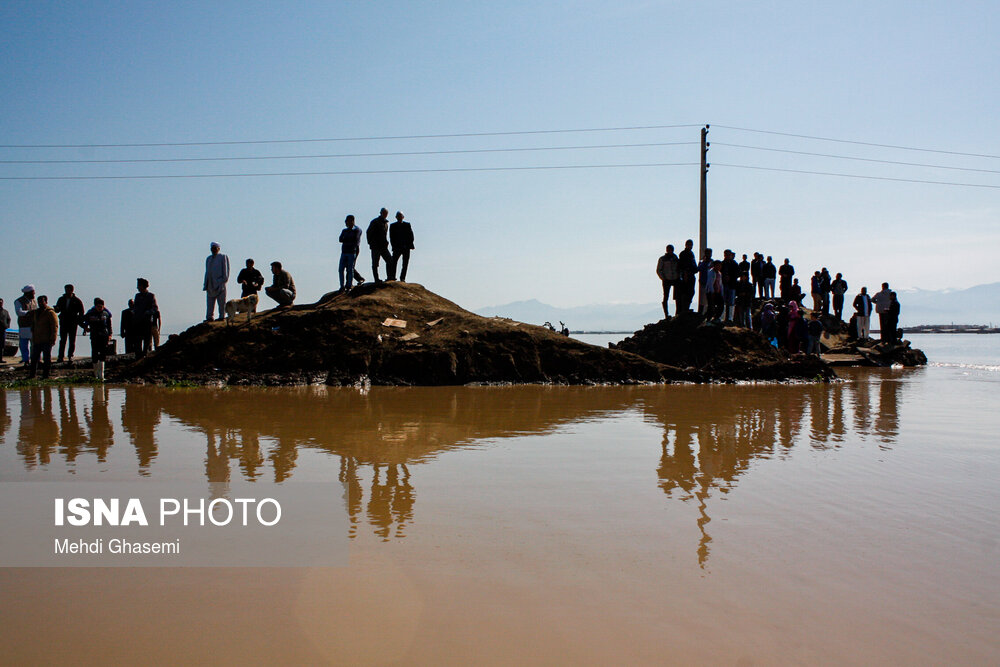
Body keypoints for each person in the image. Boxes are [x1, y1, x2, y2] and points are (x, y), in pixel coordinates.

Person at [81, 297, 113, 381]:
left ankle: (101, 375)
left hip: (104, 336)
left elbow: (109, 325)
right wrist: (85, 328)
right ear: (95, 306)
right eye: (98, 306)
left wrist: (110, 334)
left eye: (101, 306)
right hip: (94, 336)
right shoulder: (90, 313)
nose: (100, 308)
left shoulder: (106, 314)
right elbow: (81, 320)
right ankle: (95, 375)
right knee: (95, 354)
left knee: (103, 354)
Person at [27, 295, 58, 379]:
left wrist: (53, 338)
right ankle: (32, 375)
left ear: (46, 302)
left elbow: (54, 326)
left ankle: (46, 375)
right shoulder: (36, 312)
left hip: (47, 339)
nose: (40, 303)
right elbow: (33, 324)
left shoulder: (50, 312)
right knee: (34, 358)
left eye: (42, 301)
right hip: (37, 339)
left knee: (47, 358)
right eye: (39, 301)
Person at [54, 284, 85, 362]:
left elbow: (81, 311)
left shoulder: (77, 300)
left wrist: (79, 320)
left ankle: (70, 355)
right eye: (66, 290)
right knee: (63, 340)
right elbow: (58, 310)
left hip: (73, 322)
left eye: (68, 290)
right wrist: (56, 308)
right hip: (64, 321)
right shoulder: (61, 299)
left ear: (72, 290)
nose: (67, 291)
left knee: (72, 340)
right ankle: (61, 356)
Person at [204, 242, 230, 321]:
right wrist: (206, 283)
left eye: (215, 248)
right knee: (210, 303)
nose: (213, 250)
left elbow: (226, 271)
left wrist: (222, 281)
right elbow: (207, 272)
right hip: (210, 284)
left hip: (220, 284)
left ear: (218, 248)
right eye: (212, 248)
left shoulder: (223, 257)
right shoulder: (208, 259)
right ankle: (209, 317)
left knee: (221, 302)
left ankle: (222, 316)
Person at [132, 279, 159, 356]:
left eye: (139, 285)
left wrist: (147, 313)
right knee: (137, 341)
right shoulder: (137, 296)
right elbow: (135, 308)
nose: (137, 287)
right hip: (137, 322)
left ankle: (145, 354)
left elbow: (155, 308)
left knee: (147, 341)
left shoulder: (151, 296)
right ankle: (138, 355)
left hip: (146, 322)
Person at [366, 208, 394, 283]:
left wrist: (386, 242)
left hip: (383, 246)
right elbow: (368, 232)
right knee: (375, 263)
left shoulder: (386, 224)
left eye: (386, 213)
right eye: (384, 213)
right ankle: (376, 279)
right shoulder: (375, 222)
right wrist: (370, 243)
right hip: (375, 246)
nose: (385, 215)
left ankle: (389, 277)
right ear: (381, 213)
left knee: (390, 260)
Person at [338, 215, 363, 291]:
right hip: (344, 252)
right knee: (341, 269)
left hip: (352, 252)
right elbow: (340, 239)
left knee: (350, 269)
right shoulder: (344, 230)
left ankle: (349, 285)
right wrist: (348, 239)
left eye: (347, 221)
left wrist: (346, 239)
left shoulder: (357, 230)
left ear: (352, 221)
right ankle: (342, 286)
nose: (346, 223)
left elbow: (355, 240)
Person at [389, 211, 415, 282]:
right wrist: (394, 246)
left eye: (400, 216)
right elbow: (391, 237)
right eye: (398, 216)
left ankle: (402, 278)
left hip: (406, 247)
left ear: (403, 217)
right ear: (396, 217)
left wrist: (409, 244)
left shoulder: (407, 225)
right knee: (394, 262)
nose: (399, 217)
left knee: (405, 264)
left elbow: (411, 235)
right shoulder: (392, 226)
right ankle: (392, 276)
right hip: (397, 247)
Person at [655, 244, 679, 318]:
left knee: (677, 297)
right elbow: (658, 270)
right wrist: (663, 278)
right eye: (669, 250)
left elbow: (678, 267)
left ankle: (677, 313)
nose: (670, 251)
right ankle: (666, 314)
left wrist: (678, 276)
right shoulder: (662, 259)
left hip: (675, 279)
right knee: (666, 297)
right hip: (666, 280)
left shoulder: (675, 258)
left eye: (671, 250)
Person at [14, 285, 37, 364]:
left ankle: (34, 359)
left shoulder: (34, 301)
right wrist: (29, 313)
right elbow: (19, 312)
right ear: (28, 293)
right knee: (24, 345)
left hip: (33, 325)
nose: (34, 294)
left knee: (34, 344)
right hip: (24, 326)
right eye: (33, 293)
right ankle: (25, 359)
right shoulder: (18, 301)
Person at [677, 239, 698, 314]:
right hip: (686, 275)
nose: (690, 246)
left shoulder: (691, 253)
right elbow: (682, 265)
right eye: (689, 245)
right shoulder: (683, 254)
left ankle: (686, 308)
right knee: (685, 292)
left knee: (691, 292)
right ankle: (684, 309)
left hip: (691, 275)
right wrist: (685, 274)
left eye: (691, 245)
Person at [721, 249, 740, 323]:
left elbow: (738, 273)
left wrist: (731, 277)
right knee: (723, 302)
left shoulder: (734, 264)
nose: (727, 256)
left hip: (732, 285)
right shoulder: (722, 263)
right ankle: (722, 317)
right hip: (723, 285)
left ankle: (730, 318)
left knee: (731, 302)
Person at [697, 248, 713, 314]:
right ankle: (701, 313)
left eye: (710, 253)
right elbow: (698, 269)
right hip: (703, 283)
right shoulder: (702, 262)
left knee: (710, 300)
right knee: (702, 300)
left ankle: (708, 313)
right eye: (707, 253)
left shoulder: (712, 262)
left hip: (710, 284)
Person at [0, 299, 9, 363]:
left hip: (2, 330)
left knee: (1, 345)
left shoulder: (5, 311)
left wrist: (7, 326)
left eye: (1, 302)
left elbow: (9, 319)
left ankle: (0, 359)